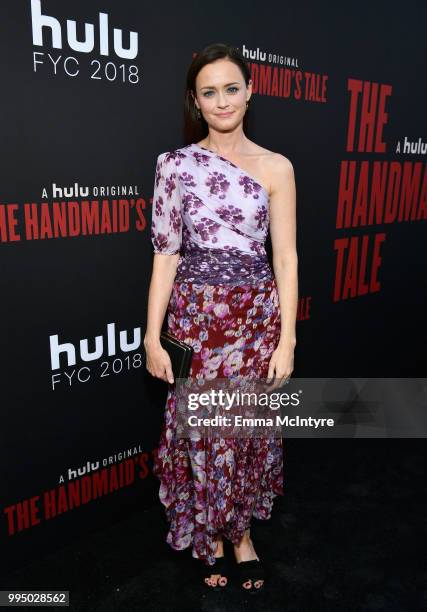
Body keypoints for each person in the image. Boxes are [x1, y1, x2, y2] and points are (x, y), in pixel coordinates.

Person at [144, 42, 297, 594]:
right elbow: (165, 255)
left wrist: (289, 341)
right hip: (197, 322)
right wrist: (151, 336)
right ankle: (208, 536)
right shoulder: (175, 166)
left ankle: (242, 537)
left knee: (246, 429)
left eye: (231, 88)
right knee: (204, 430)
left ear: (250, 91)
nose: (222, 100)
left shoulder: (277, 167)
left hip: (257, 321)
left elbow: (285, 256)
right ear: (195, 100)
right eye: (209, 92)